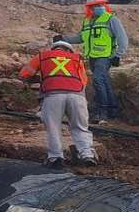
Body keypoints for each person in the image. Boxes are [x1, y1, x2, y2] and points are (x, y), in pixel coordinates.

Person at [19, 37, 97, 168]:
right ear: (69, 50)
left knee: (53, 127)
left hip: (53, 95)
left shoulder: (42, 56)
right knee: (80, 127)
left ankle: (56, 158)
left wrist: (41, 79)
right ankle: (87, 154)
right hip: (77, 96)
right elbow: (83, 81)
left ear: (54, 48)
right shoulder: (76, 58)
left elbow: (24, 73)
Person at [66, 0, 129, 123]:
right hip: (92, 58)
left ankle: (102, 113)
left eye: (101, 4)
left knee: (98, 81)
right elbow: (81, 37)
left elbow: (123, 39)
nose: (100, 7)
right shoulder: (87, 21)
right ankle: (113, 110)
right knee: (104, 82)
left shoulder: (111, 19)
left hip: (105, 57)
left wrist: (118, 55)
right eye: (96, 5)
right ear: (90, 7)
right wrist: (64, 39)